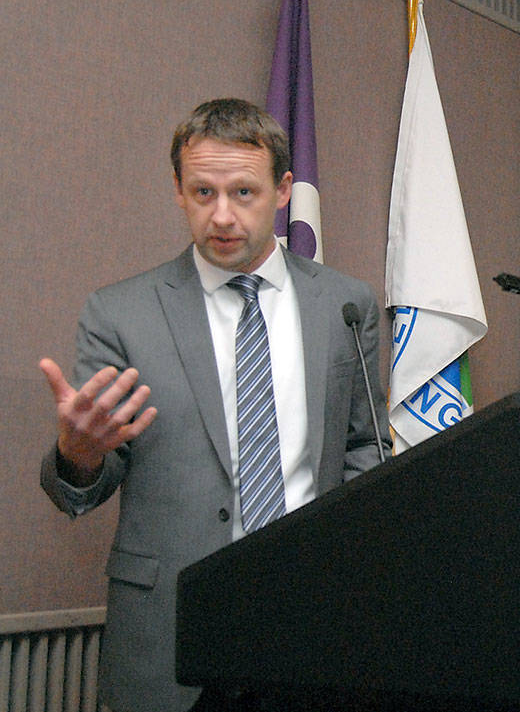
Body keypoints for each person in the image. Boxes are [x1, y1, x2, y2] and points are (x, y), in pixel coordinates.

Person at [39, 98, 388, 712]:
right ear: (179, 190)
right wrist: (79, 454)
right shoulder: (120, 313)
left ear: (283, 190)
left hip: (313, 623)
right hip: (170, 627)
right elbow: (88, 481)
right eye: (203, 192)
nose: (222, 215)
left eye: (243, 193)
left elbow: (365, 444)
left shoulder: (344, 304)